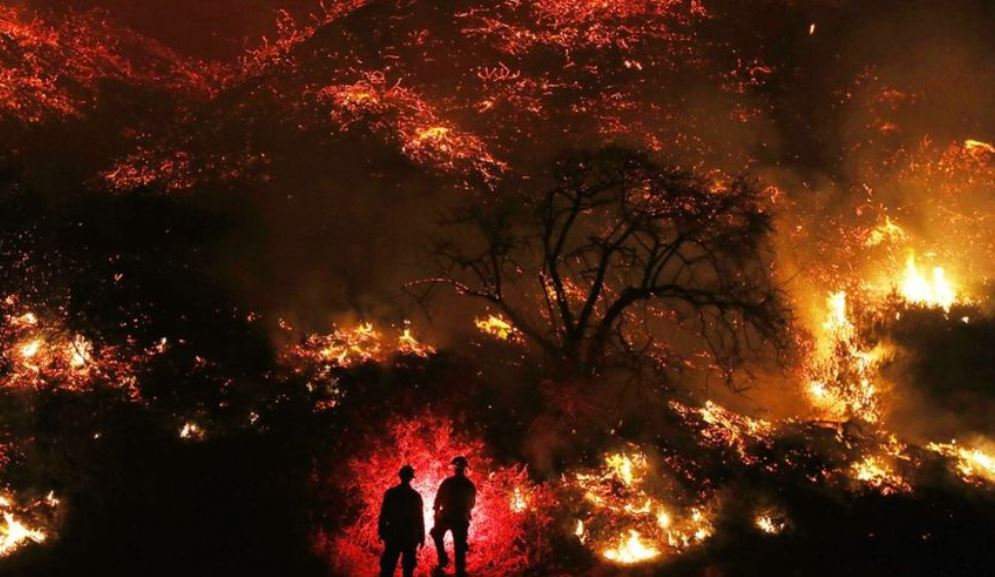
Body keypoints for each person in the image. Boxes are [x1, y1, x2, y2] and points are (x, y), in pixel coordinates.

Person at [431, 456, 477, 577]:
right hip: (461, 519)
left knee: (436, 533)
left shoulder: (447, 482)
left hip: (446, 517)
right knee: (460, 547)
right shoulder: (470, 485)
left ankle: (443, 559)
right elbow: (472, 505)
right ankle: (460, 572)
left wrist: (436, 514)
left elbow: (438, 499)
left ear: (454, 469)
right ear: (465, 469)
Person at [378, 465, 425, 577]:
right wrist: (421, 536)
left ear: (400, 476)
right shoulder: (415, 496)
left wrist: (381, 531)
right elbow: (420, 518)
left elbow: (384, 514)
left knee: (388, 568)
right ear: (411, 478)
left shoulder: (391, 493)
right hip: (410, 536)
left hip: (393, 534)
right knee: (408, 570)